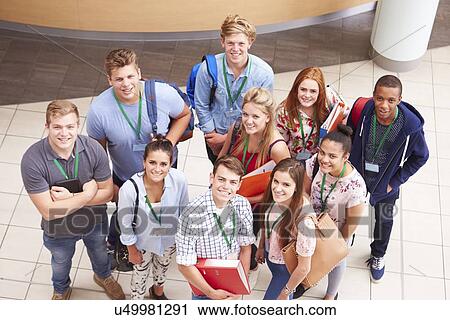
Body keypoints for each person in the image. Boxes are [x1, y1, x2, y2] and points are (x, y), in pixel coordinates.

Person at [87, 48, 191, 250]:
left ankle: (160, 242)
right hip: (126, 177)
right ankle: (118, 246)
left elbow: (184, 115)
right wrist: (109, 186)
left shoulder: (162, 94)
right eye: (118, 79)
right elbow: (98, 155)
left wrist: (168, 143)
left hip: (163, 172)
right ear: (109, 80)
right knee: (126, 215)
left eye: (130, 76)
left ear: (139, 73)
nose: (126, 84)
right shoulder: (99, 111)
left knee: (162, 210)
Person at [20, 100, 125, 300]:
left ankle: (103, 276)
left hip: (94, 220)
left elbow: (108, 194)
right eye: (57, 127)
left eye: (70, 126)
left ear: (78, 125)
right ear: (47, 126)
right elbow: (49, 212)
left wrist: (69, 199)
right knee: (60, 262)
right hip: (59, 228)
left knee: (100, 252)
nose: (64, 133)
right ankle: (61, 289)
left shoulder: (93, 149)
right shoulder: (32, 160)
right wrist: (86, 194)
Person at [347, 75, 429, 283]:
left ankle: (378, 255)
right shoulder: (363, 109)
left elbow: (422, 156)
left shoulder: (410, 126)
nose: (384, 105)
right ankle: (346, 238)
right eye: (380, 98)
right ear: (373, 96)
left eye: (391, 100)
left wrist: (397, 180)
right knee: (348, 210)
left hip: (386, 183)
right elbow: (349, 133)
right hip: (357, 176)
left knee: (383, 220)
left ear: (399, 100)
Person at [218, 87, 290, 271]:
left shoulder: (276, 147)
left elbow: (286, 187)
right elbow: (221, 159)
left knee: (246, 239)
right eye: (245, 114)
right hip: (229, 196)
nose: (248, 121)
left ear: (268, 117)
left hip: (257, 205)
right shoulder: (236, 129)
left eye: (255, 117)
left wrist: (247, 200)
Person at [194, 14, 274, 164]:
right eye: (230, 43)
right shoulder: (208, 69)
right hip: (215, 135)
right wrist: (212, 136)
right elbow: (201, 104)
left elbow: (264, 113)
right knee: (220, 172)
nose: (235, 49)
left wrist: (226, 139)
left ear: (250, 42)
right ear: (222, 42)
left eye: (241, 44)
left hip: (247, 137)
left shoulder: (264, 73)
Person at [118, 135, 189, 300]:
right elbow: (125, 224)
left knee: (162, 267)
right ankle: (137, 301)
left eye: (163, 164)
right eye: (152, 163)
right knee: (140, 274)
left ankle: (157, 291)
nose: (157, 169)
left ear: (170, 164)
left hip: (168, 240)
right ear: (144, 162)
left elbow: (184, 210)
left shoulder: (179, 180)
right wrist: (132, 250)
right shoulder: (129, 189)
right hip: (142, 242)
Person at [176, 155, 255, 300]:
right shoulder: (190, 215)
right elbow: (184, 265)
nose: (226, 187)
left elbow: (245, 247)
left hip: (233, 281)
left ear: (239, 185)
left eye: (232, 182)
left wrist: (240, 285)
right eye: (221, 179)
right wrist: (211, 292)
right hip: (205, 286)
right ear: (211, 178)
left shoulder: (242, 205)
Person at [303, 124, 367, 299]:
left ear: (345, 157)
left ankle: (331, 295)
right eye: (322, 152)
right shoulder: (315, 162)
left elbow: (352, 224)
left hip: (336, 231)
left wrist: (337, 245)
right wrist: (308, 216)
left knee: (336, 262)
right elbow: (304, 190)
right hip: (311, 220)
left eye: (332, 156)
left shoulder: (356, 186)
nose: (324, 159)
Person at [255, 158, 316, 300]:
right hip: (272, 257)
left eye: (286, 184)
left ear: (297, 187)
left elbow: (303, 268)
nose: (277, 188)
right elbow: (267, 221)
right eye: (275, 181)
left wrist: (286, 292)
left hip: (285, 269)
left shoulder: (305, 222)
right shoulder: (275, 197)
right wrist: (261, 246)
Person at [276, 67, 341, 161]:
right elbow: (280, 143)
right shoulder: (284, 112)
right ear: (296, 89)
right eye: (303, 89)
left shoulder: (329, 98)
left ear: (320, 92)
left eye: (313, 91)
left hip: (323, 157)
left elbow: (344, 113)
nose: (307, 95)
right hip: (294, 159)